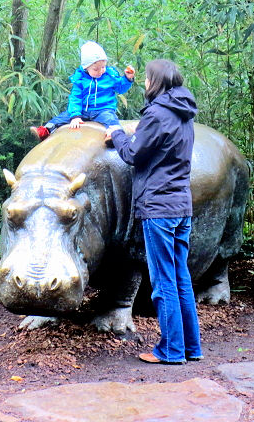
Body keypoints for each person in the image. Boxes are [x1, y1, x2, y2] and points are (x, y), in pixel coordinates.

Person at [105, 59, 202, 365]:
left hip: (158, 207)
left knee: (163, 283)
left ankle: (171, 350)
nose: (145, 83)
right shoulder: (184, 113)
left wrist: (117, 134)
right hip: (181, 206)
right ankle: (190, 347)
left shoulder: (157, 113)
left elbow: (133, 154)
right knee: (180, 277)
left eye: (147, 79)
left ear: (156, 81)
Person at [30, 41, 135, 141]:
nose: (101, 71)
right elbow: (75, 97)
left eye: (103, 67)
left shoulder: (109, 75)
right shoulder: (80, 78)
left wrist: (127, 79)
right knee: (62, 117)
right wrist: (75, 115)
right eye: (96, 69)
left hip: (103, 109)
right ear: (86, 67)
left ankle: (115, 135)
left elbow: (120, 88)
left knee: (111, 120)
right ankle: (45, 130)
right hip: (83, 110)